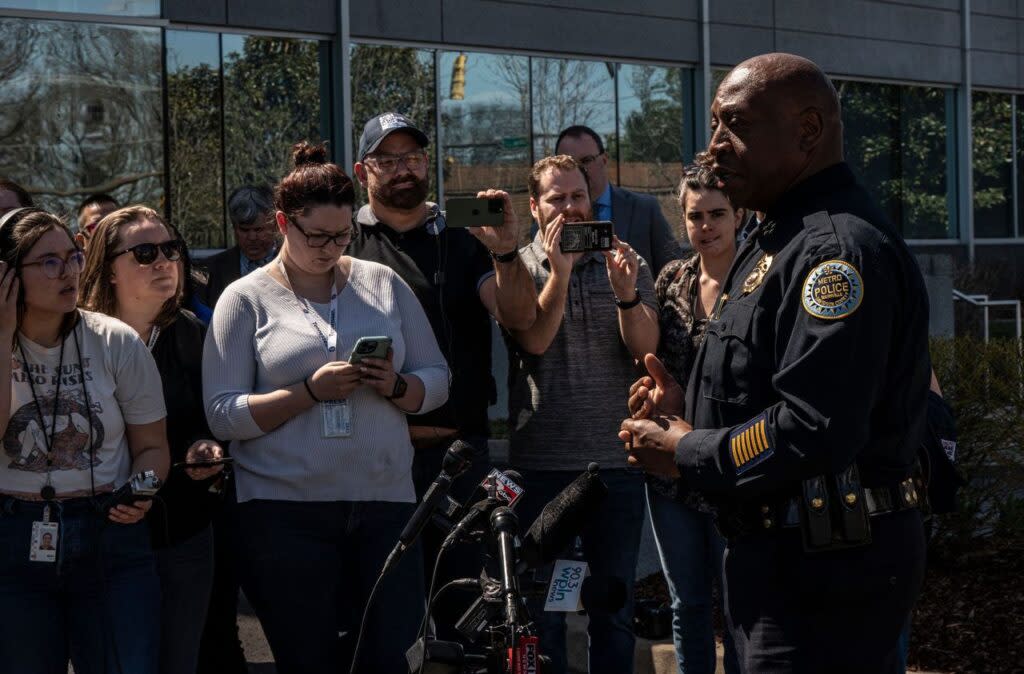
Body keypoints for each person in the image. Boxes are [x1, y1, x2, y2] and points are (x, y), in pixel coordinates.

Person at [620, 53, 930, 673]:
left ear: (807, 130)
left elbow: (817, 426)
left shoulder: (836, 252)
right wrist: (685, 414)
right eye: (712, 125)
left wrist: (687, 450)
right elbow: (762, 388)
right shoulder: (773, 239)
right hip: (775, 561)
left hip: (826, 573)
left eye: (734, 124)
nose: (714, 146)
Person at [203, 141, 449, 674]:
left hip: (385, 504)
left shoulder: (381, 282)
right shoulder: (244, 298)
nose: (330, 247)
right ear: (282, 223)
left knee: (389, 658)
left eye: (341, 235)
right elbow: (223, 414)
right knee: (308, 659)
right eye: (316, 235)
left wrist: (398, 386)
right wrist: (308, 392)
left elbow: (438, 380)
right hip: (284, 512)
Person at [348, 111, 537, 636]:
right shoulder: (343, 242)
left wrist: (504, 250)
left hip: (458, 456)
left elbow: (519, 317)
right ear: (364, 170)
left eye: (411, 157)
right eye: (387, 160)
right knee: (388, 618)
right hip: (374, 459)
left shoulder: (463, 231)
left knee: (468, 617)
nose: (402, 169)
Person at [504, 154, 659, 674]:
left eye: (577, 196)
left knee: (612, 608)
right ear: (534, 206)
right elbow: (536, 340)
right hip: (544, 463)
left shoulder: (624, 259)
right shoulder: (518, 266)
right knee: (543, 608)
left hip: (614, 461)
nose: (569, 208)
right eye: (556, 198)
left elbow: (646, 351)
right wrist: (561, 272)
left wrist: (627, 295)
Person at [0, 206, 169, 674]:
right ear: (8, 274)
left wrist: (143, 489)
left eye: (73, 257)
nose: (70, 271)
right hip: (13, 537)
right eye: (48, 262)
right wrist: (1, 334)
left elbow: (153, 447)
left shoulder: (115, 341)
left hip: (109, 535)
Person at [79, 205, 226, 674]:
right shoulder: (78, 338)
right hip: (96, 533)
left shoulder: (195, 333)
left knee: (176, 662)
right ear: (109, 268)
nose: (164, 262)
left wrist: (207, 447)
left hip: (181, 528)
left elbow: (211, 417)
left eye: (171, 249)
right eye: (144, 253)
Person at [647, 163, 742, 674]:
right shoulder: (672, 280)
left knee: (740, 606)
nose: (706, 226)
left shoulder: (760, 278)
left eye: (717, 214)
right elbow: (650, 355)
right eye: (695, 216)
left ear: (739, 214)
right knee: (687, 604)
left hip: (736, 464)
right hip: (673, 472)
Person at [555, 125, 681, 276]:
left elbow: (673, 271)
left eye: (586, 160)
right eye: (569, 164)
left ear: (604, 159)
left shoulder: (645, 209)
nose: (579, 170)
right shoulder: (548, 221)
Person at [201, 184, 279, 308]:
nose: (252, 237)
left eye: (258, 230)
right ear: (234, 228)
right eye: (244, 230)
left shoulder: (296, 266)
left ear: (275, 225)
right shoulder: (210, 271)